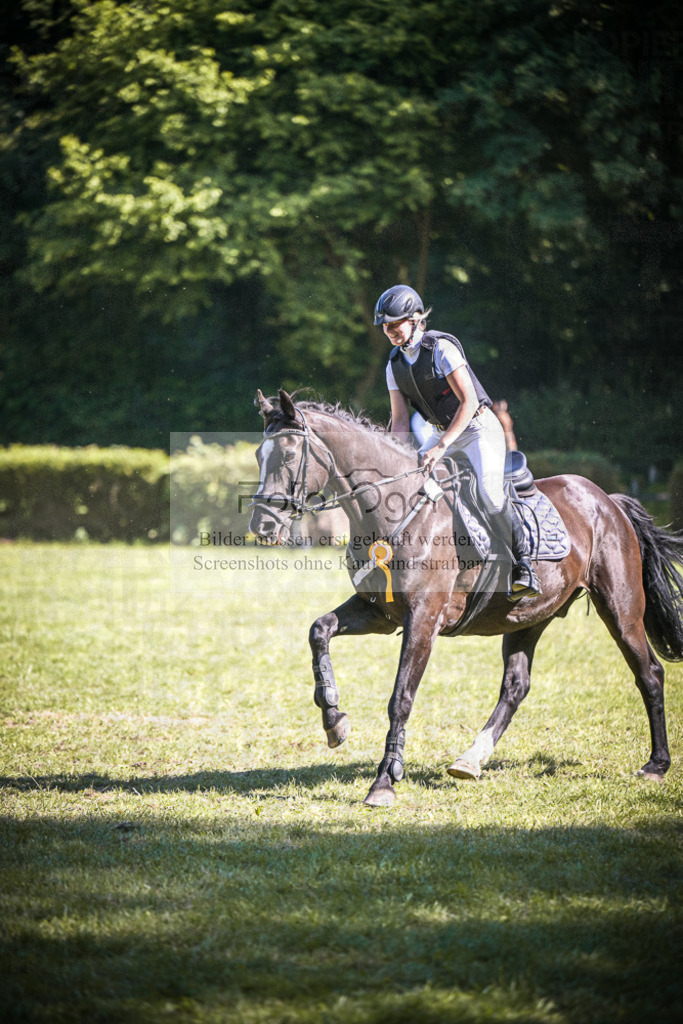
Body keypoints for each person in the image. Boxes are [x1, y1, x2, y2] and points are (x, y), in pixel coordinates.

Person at [374, 283, 541, 601]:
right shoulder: (393, 365)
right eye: (386, 327)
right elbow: (398, 421)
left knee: (490, 496)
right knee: (407, 485)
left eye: (396, 324)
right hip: (440, 432)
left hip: (477, 428)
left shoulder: (441, 349)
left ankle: (524, 566)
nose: (391, 331)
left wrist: (441, 446)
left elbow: (468, 402)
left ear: (416, 319)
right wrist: (390, 460)